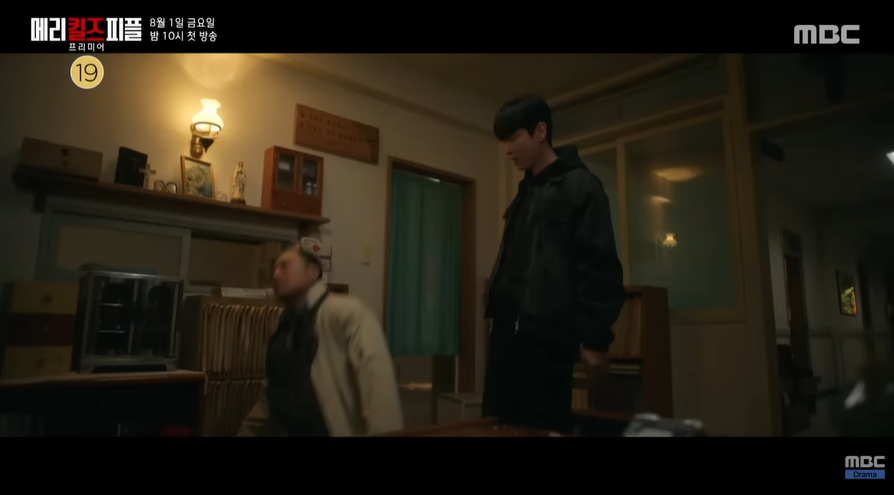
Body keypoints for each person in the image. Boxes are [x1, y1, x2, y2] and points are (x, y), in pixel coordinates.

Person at [483, 95, 625, 433]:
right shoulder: (525, 193)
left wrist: (595, 339)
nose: (508, 150)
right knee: (496, 425)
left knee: (541, 426)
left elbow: (598, 265)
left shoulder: (580, 187)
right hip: (505, 337)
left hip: (547, 338)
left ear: (540, 132)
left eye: (513, 138)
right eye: (504, 141)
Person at [238, 240, 403, 436]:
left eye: (285, 266)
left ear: (313, 271)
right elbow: (272, 395)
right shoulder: (286, 324)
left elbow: (378, 382)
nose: (276, 275)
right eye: (274, 269)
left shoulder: (345, 312)